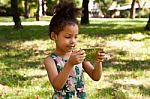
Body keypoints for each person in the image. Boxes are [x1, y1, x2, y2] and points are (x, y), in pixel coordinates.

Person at [44, 1, 105, 99]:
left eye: (75, 37)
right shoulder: (50, 60)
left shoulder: (79, 55)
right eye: (68, 37)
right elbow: (57, 85)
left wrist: (98, 62)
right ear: (54, 36)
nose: (73, 41)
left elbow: (95, 76)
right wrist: (70, 64)